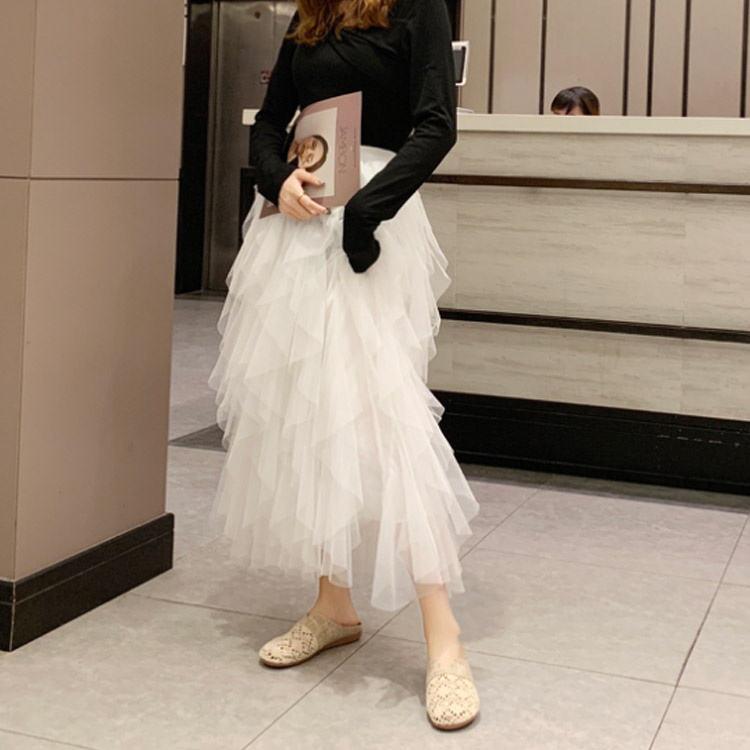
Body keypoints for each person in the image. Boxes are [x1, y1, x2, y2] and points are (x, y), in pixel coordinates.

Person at [208, 0, 480, 731]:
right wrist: (276, 180)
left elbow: (436, 125)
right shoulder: (313, 10)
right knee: (311, 410)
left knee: (387, 415)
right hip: (297, 230)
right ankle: (334, 604)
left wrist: (365, 213)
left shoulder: (415, 6)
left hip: (372, 227)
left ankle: (444, 639)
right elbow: (272, 121)